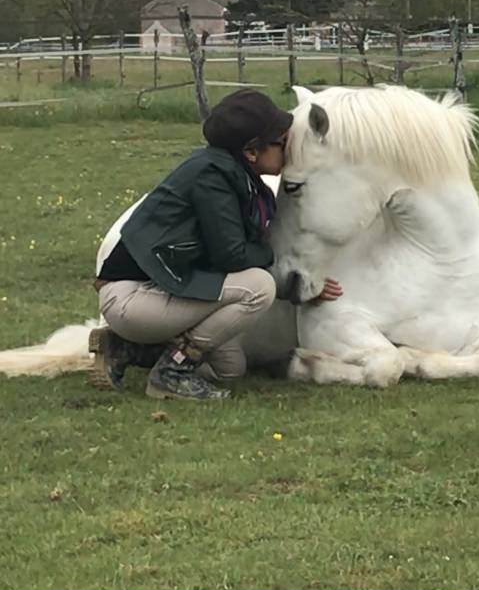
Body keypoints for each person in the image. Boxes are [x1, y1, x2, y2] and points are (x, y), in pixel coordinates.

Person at [91, 89, 343, 401]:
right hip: (132, 297)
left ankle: (125, 349)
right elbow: (233, 256)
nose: (289, 149)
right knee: (259, 288)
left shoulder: (234, 175)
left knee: (230, 368)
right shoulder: (212, 178)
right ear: (251, 152)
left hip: (163, 289)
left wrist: (295, 285)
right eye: (281, 142)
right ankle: (172, 371)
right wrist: (274, 260)